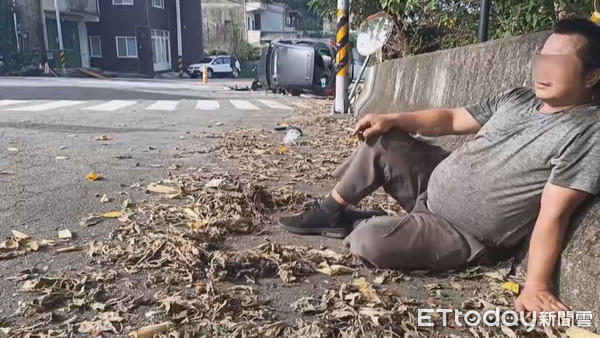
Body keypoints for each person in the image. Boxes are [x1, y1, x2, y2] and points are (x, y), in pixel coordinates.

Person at [279, 17, 600, 313]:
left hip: (465, 233)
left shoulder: (586, 130)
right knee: (384, 138)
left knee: (368, 242)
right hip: (430, 185)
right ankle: (331, 209)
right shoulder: (518, 98)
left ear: (592, 75)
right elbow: (452, 118)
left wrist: (536, 284)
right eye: (541, 57)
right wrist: (391, 118)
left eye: (558, 62)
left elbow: (554, 212)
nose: (543, 69)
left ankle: (367, 224)